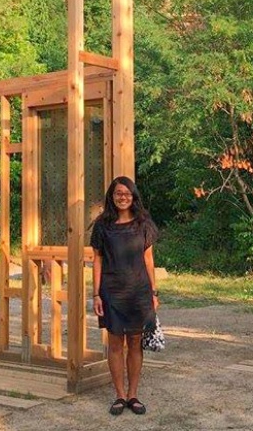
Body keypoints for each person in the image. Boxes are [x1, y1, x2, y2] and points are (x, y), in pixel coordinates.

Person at [89, 176, 159, 416]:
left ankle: (133, 394)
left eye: (127, 193)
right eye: (118, 193)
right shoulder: (102, 225)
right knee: (116, 343)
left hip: (139, 292)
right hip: (111, 292)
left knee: (135, 342)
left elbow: (149, 259)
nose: (123, 197)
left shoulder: (143, 223)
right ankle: (119, 395)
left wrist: (153, 291)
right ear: (112, 196)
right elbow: (97, 260)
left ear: (133, 196)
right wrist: (96, 294)